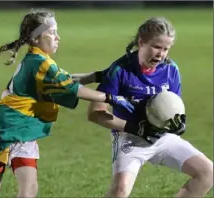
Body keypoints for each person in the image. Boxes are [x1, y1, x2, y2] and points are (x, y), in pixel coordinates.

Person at [0, 9, 135, 198]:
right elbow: (72, 89)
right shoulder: (40, 63)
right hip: (6, 131)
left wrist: (98, 76)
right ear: (35, 39)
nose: (57, 37)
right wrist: (110, 97)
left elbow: (67, 81)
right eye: (51, 33)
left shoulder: (39, 59)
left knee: (29, 191)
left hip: (24, 132)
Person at [74, 17, 213, 198]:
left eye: (166, 49)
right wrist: (133, 127)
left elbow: (174, 105)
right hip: (129, 139)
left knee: (207, 173)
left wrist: (178, 122)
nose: (161, 54)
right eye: (156, 47)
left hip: (162, 137)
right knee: (120, 190)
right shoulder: (120, 69)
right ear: (141, 42)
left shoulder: (171, 70)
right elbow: (95, 113)